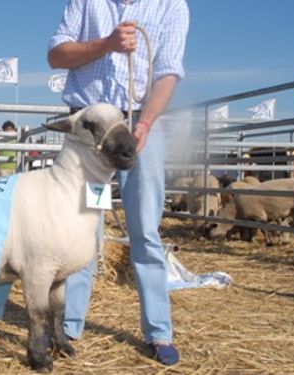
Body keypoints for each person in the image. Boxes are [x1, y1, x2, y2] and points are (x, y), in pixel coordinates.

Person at [48, 0, 189, 366]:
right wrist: (106, 44)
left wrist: (145, 124)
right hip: (93, 134)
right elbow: (56, 55)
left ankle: (159, 332)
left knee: (145, 229)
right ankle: (68, 325)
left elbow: (168, 72)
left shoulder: (171, 5)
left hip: (140, 127)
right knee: (83, 227)